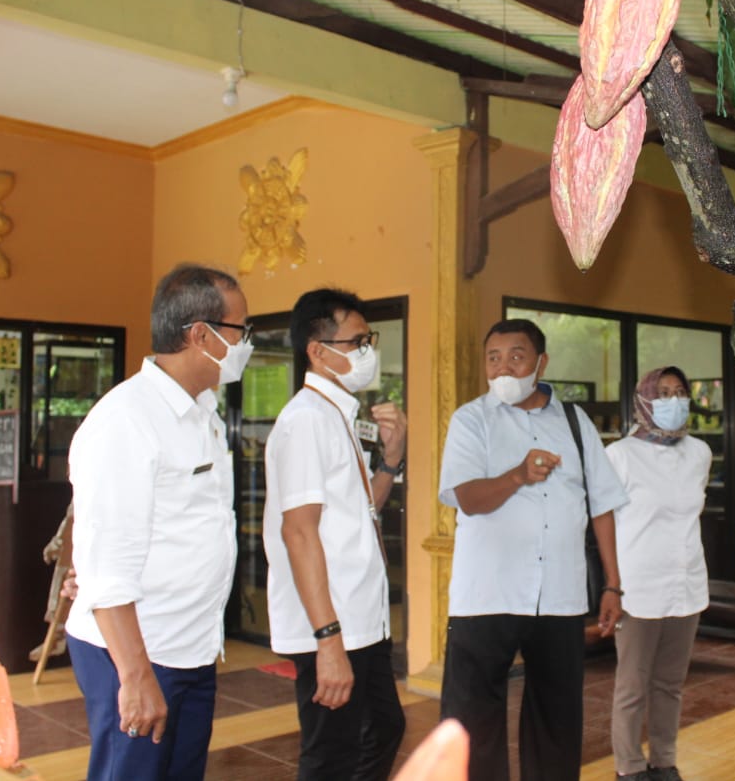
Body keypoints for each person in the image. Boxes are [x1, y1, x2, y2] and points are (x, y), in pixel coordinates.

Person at [65, 263, 252, 781]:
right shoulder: (126, 419)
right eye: (241, 330)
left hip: (189, 647)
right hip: (137, 652)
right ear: (201, 335)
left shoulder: (203, 413)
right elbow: (107, 562)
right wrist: (135, 675)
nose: (246, 343)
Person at [438, 317, 628, 781]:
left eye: (516, 357)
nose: (503, 368)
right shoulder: (471, 419)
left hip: (559, 596)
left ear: (541, 363)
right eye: (494, 358)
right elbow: (467, 498)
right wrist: (518, 475)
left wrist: (613, 584)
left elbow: (602, 505)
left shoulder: (575, 422)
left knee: (556, 719)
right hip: (486, 594)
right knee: (472, 721)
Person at [262, 288, 407, 780]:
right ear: (318, 351)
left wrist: (392, 458)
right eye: (357, 342)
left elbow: (364, 509)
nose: (368, 352)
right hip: (332, 621)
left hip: (362, 618)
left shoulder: (337, 415)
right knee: (332, 755)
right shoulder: (306, 421)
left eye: (369, 340)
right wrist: (327, 640)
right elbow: (298, 533)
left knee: (383, 729)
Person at [605, 367, 712, 781]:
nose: (673, 401)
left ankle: (664, 760)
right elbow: (604, 522)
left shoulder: (700, 453)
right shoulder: (620, 455)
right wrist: (612, 585)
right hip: (638, 587)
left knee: (670, 683)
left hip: (687, 582)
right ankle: (629, 766)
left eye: (680, 392)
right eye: (663, 393)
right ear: (644, 399)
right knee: (632, 686)